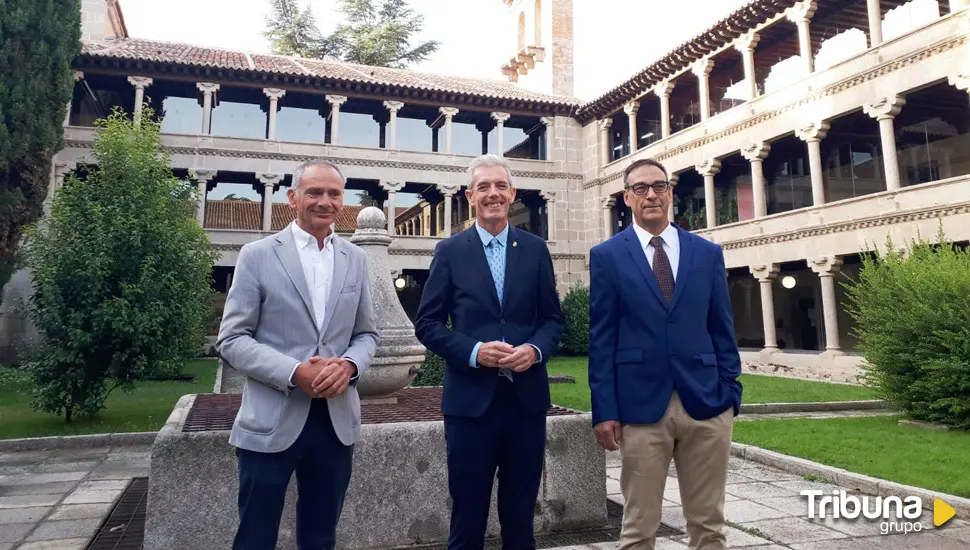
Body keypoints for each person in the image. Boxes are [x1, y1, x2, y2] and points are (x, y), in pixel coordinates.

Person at [216, 159, 378, 550]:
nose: (325, 201)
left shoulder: (355, 259)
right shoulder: (257, 255)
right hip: (272, 420)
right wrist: (293, 372)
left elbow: (367, 334)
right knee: (255, 536)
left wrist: (350, 365)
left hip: (335, 422)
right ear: (293, 198)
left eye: (334, 193)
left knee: (321, 536)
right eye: (315, 192)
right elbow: (232, 338)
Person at [587, 158, 743, 550]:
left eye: (659, 186)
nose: (651, 194)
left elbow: (722, 328)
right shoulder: (607, 255)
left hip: (706, 404)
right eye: (640, 188)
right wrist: (605, 408)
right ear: (626, 198)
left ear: (671, 193)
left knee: (709, 526)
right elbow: (602, 337)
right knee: (638, 528)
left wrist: (730, 393)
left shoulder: (706, 254)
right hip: (640, 408)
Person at [414, 154, 564, 550]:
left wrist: (534, 349)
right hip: (469, 407)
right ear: (470, 196)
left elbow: (552, 321)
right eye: (484, 187)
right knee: (467, 519)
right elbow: (427, 324)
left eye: (501, 186)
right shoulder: (450, 251)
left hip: (525, 403)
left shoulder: (534, 250)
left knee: (520, 521)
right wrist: (474, 350)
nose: (493, 194)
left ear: (512, 194)